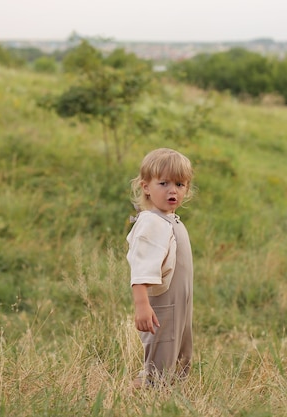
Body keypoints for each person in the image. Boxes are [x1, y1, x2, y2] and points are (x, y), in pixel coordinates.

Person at [126, 148, 195, 388]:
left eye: (180, 184)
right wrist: (142, 305)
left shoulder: (169, 219)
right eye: (163, 183)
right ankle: (145, 396)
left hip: (181, 303)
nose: (172, 190)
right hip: (162, 305)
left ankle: (170, 398)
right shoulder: (152, 222)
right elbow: (141, 267)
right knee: (160, 362)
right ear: (146, 186)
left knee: (180, 355)